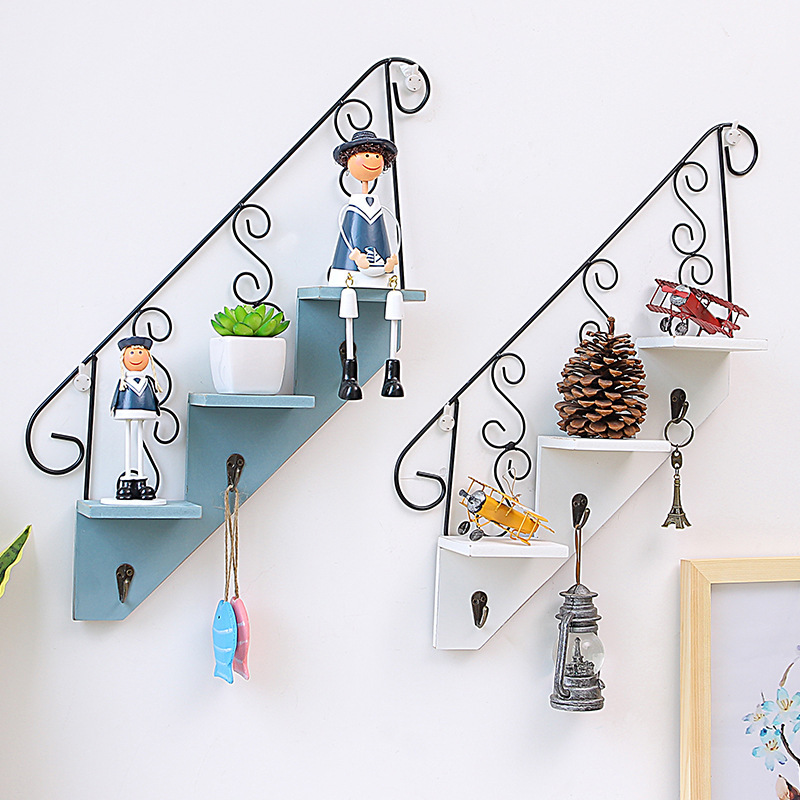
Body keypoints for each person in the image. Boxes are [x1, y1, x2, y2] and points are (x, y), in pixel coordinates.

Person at [329, 130, 404, 400]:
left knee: (391, 318)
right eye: (365, 154)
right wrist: (355, 257)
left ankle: (392, 374)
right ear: (349, 161)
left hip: (380, 273)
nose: (372, 160)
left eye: (375, 155)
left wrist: (389, 261)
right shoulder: (351, 210)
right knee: (349, 316)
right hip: (352, 273)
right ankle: (350, 374)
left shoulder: (381, 211)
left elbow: (385, 240)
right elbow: (350, 238)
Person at [108, 336, 162, 501]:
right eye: (132, 353)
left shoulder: (147, 382)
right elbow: (117, 396)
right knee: (128, 441)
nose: (136, 357)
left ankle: (140, 481)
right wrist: (114, 408)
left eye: (140, 352)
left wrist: (155, 408)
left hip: (143, 411)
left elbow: (153, 397)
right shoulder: (124, 383)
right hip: (127, 412)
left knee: (139, 441)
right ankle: (127, 482)